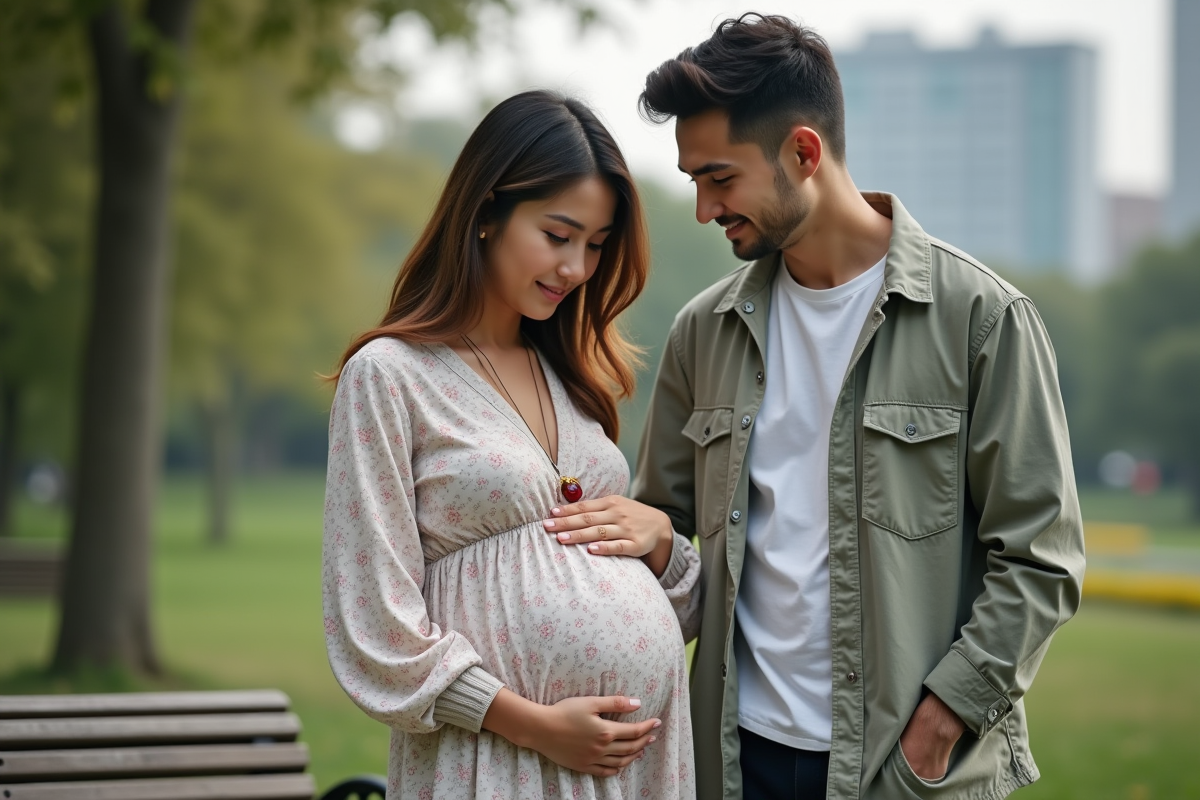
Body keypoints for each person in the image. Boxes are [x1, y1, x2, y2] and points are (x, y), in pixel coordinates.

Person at [629, 14, 1086, 800]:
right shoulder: (701, 333)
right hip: (734, 763)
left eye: (719, 178)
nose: (704, 209)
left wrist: (940, 727)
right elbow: (665, 542)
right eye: (694, 183)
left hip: (901, 773)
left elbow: (1041, 560)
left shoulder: (980, 320)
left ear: (803, 153)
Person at [322, 90, 701, 800]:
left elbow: (681, 604)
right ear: (487, 213)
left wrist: (660, 543)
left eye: (595, 244)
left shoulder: (572, 376)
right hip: (498, 762)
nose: (577, 268)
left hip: (638, 767)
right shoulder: (391, 376)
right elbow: (373, 624)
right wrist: (531, 724)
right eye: (558, 236)